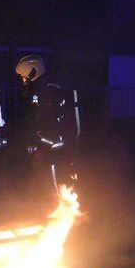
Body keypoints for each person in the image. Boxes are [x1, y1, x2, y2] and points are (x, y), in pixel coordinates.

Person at [15, 54, 82, 194]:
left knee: (55, 190)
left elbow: (52, 122)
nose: (22, 79)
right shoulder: (39, 89)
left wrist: (42, 148)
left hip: (53, 152)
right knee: (43, 188)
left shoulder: (48, 90)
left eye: (23, 75)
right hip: (46, 150)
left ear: (32, 71)